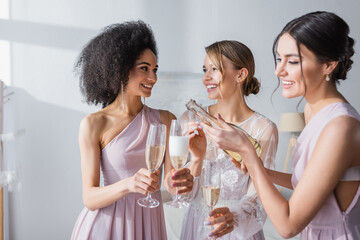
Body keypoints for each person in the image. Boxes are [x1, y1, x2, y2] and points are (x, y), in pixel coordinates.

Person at [202, 11, 360, 240]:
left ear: (328, 66)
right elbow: (308, 182)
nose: (279, 71)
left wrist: (248, 152)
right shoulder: (314, 111)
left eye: (293, 61)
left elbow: (287, 226)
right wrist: (264, 172)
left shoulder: (341, 127)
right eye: (279, 59)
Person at [71, 20, 194, 240]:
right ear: (120, 68)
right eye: (144, 69)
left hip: (149, 224)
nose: (153, 78)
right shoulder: (93, 124)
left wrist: (180, 182)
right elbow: (89, 197)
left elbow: (168, 184)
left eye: (155, 69)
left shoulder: (166, 120)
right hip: (106, 227)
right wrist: (129, 184)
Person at [180, 40, 278, 239]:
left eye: (214, 69)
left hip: (238, 229)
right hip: (197, 225)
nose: (206, 78)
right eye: (204, 70)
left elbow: (259, 198)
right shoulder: (189, 119)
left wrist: (233, 218)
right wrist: (196, 160)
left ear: (240, 75)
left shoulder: (264, 129)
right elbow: (183, 194)